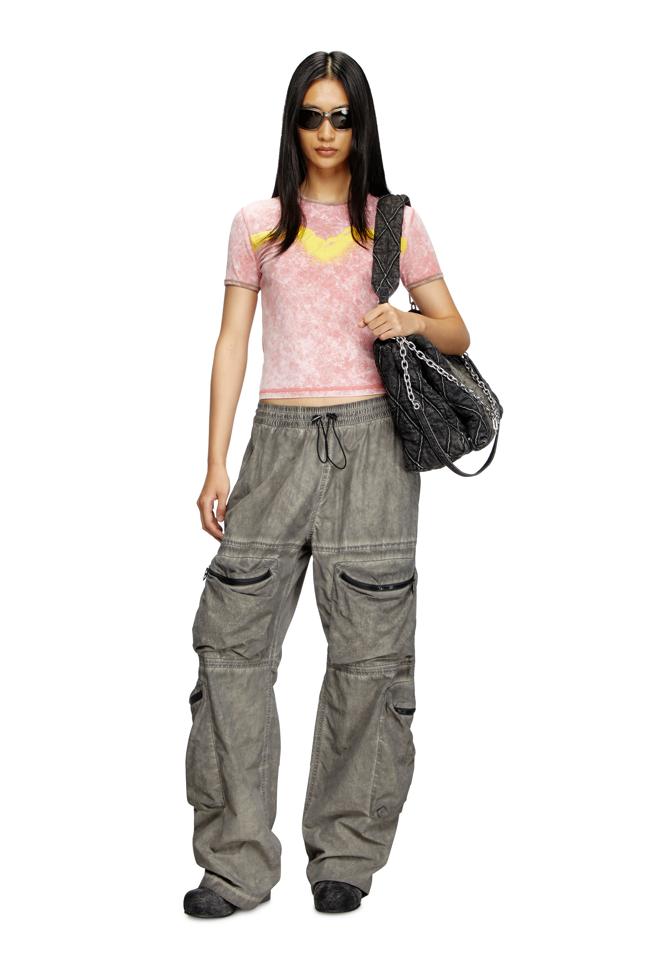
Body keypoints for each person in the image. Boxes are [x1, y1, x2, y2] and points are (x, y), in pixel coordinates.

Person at [183, 50, 470, 919]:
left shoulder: (392, 223)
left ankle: (344, 854)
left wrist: (405, 318)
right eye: (311, 115)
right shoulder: (257, 224)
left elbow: (455, 332)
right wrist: (215, 461)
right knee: (230, 646)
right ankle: (235, 865)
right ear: (292, 123)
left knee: (368, 655)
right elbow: (232, 342)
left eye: (341, 117)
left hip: (373, 444)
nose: (325, 132)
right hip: (274, 444)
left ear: (361, 125)